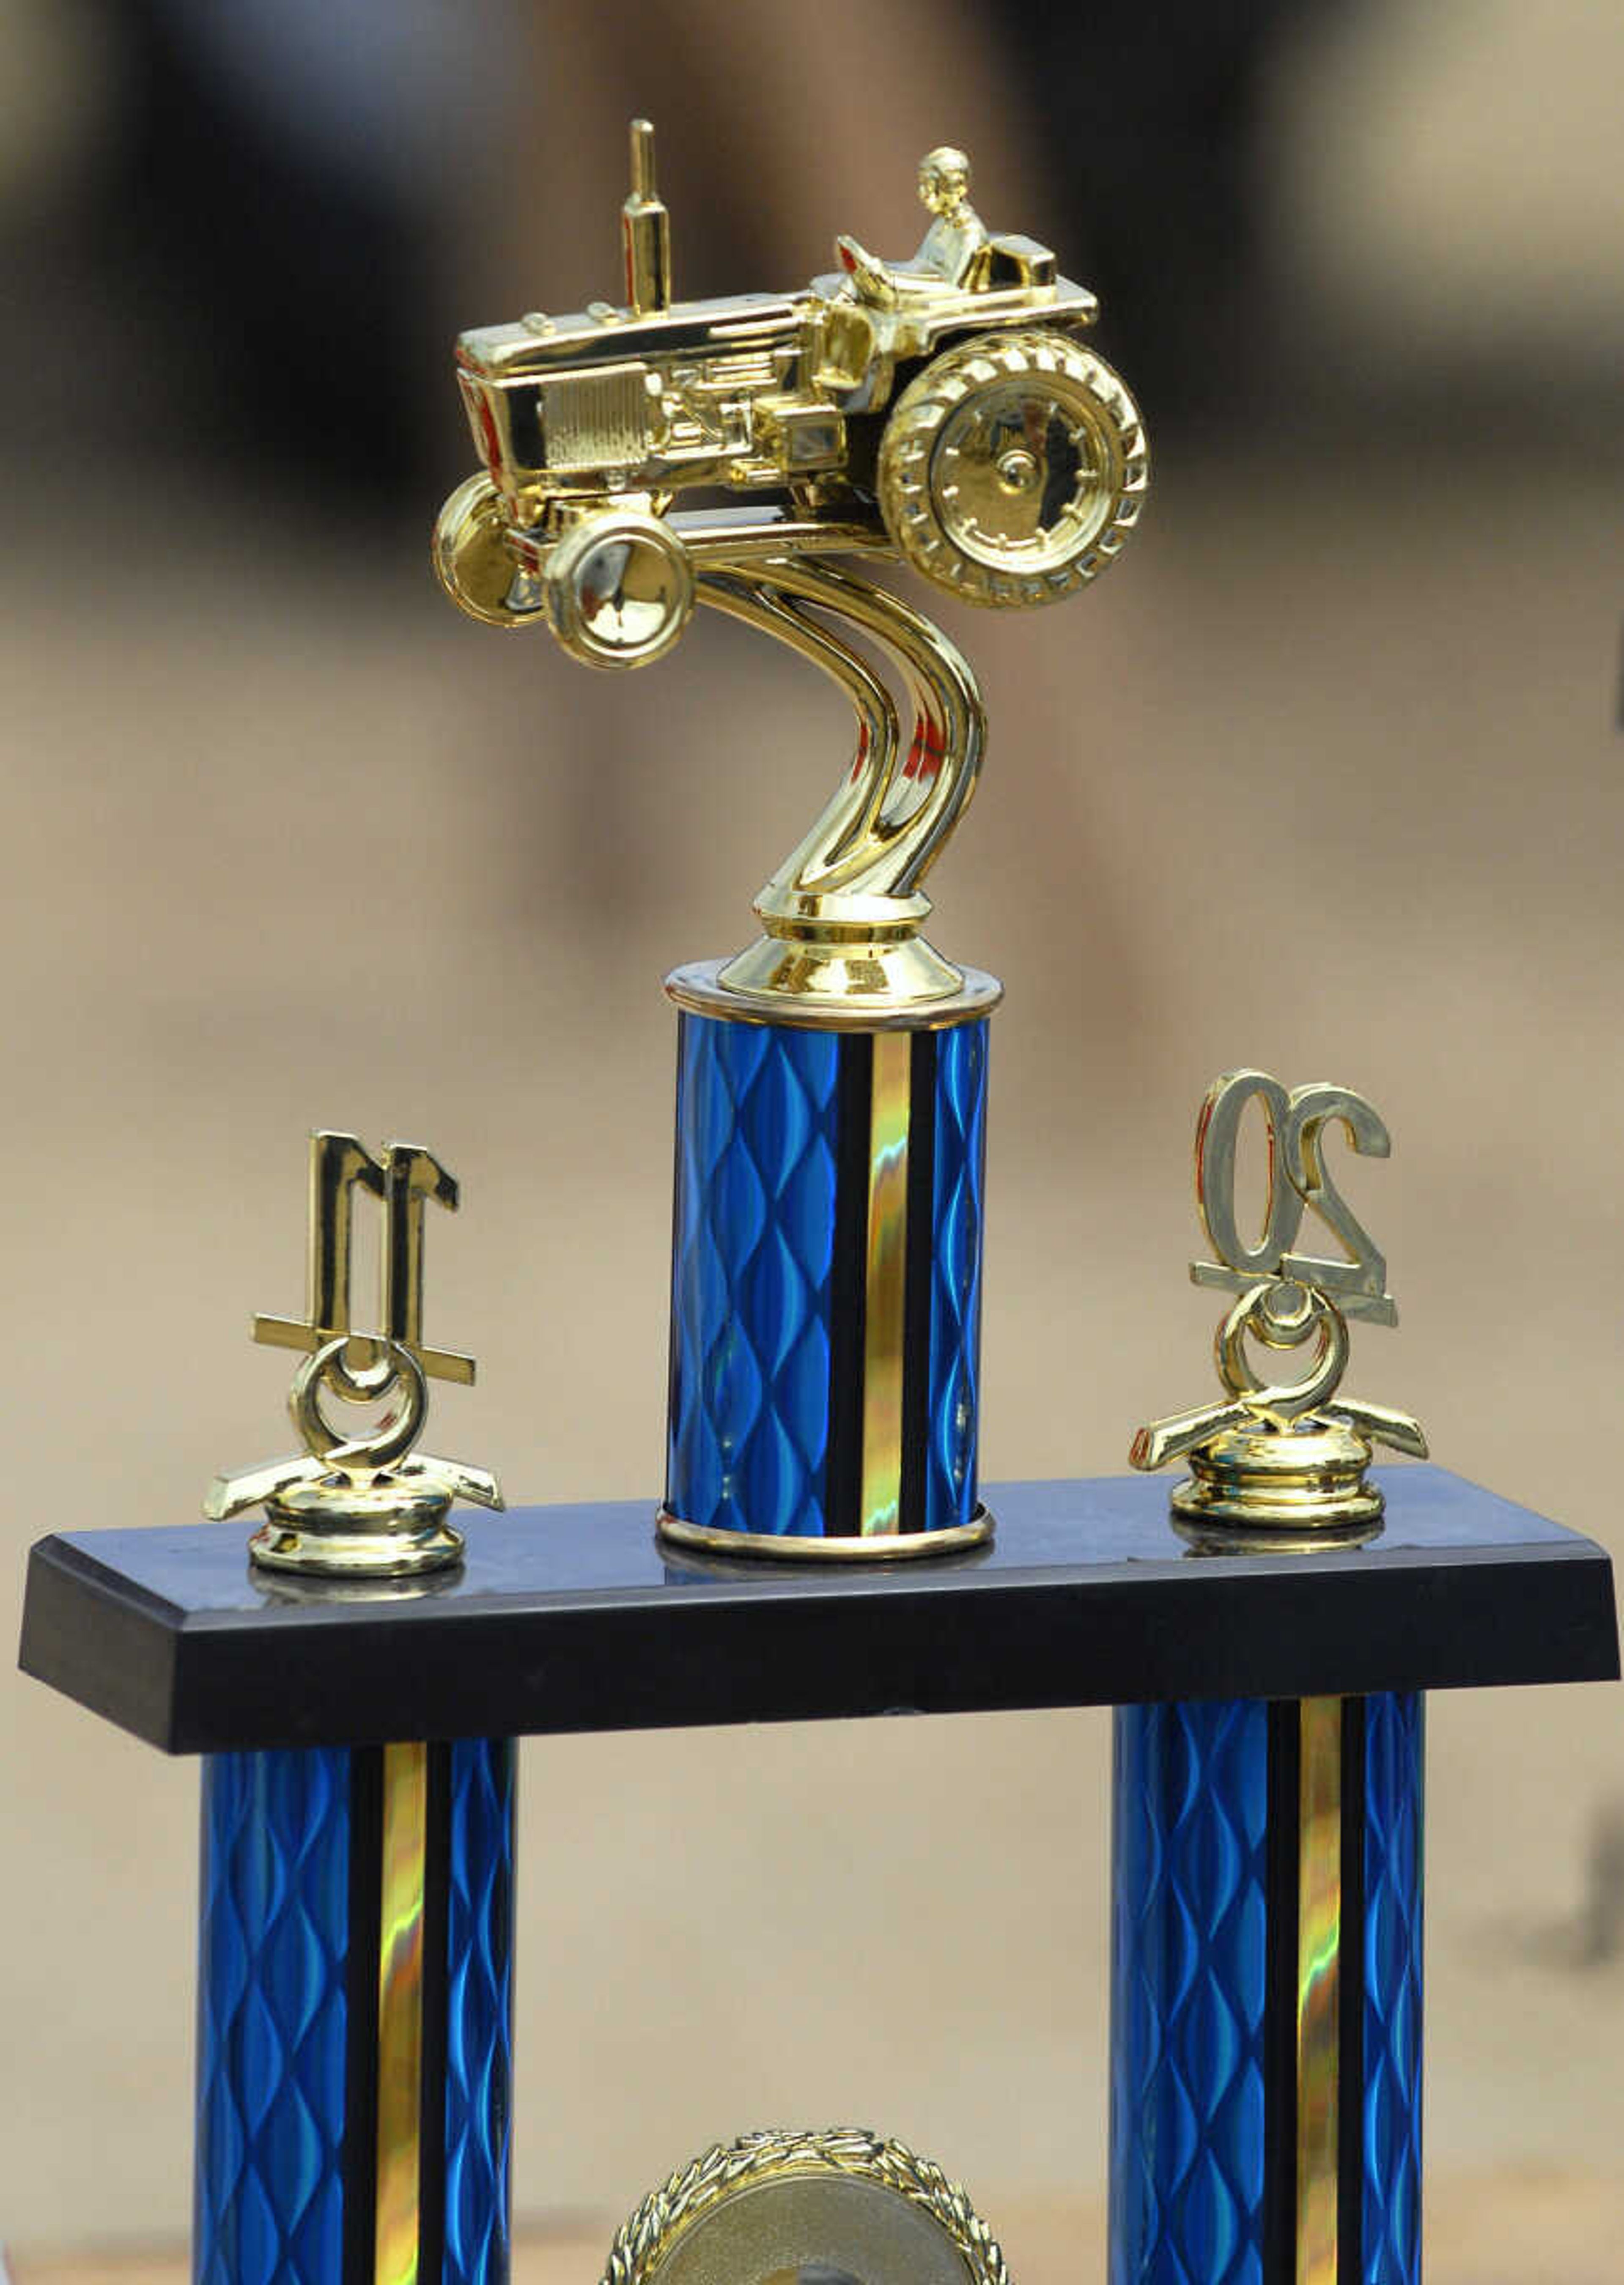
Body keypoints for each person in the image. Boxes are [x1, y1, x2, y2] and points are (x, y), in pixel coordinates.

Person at [836, 145, 988, 306]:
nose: (922, 194)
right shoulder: (943, 223)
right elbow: (918, 267)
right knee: (844, 282)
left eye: (928, 186)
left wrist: (893, 282)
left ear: (956, 188)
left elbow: (954, 291)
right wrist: (880, 268)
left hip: (940, 308)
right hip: (923, 294)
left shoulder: (971, 236)